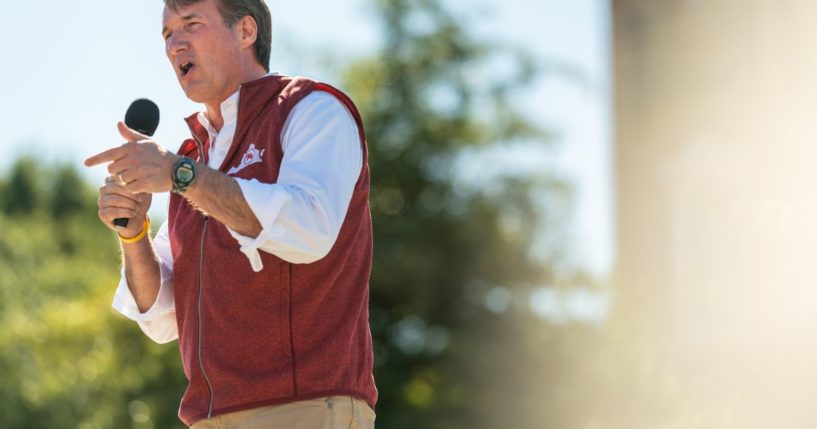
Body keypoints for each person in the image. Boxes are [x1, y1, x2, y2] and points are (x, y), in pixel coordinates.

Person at [84, 0, 377, 427]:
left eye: (191, 24)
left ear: (245, 32)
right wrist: (132, 232)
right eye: (167, 34)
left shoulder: (311, 109)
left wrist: (182, 176)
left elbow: (309, 229)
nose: (174, 44)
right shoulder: (193, 156)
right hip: (208, 418)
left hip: (305, 408)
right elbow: (161, 314)